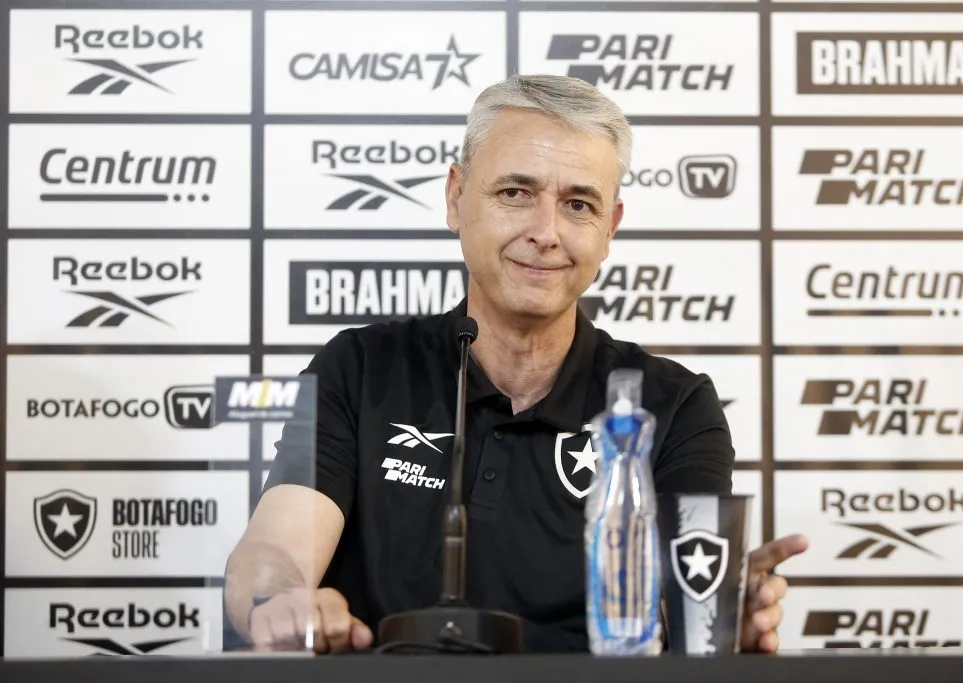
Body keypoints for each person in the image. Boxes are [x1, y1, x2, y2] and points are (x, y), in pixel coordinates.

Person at [223, 73, 809, 654]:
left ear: (609, 229)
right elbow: (276, 547)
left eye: (578, 204)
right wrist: (278, 601)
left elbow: (684, 604)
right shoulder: (359, 368)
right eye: (515, 193)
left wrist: (716, 619)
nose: (546, 233)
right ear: (456, 198)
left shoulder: (672, 405)